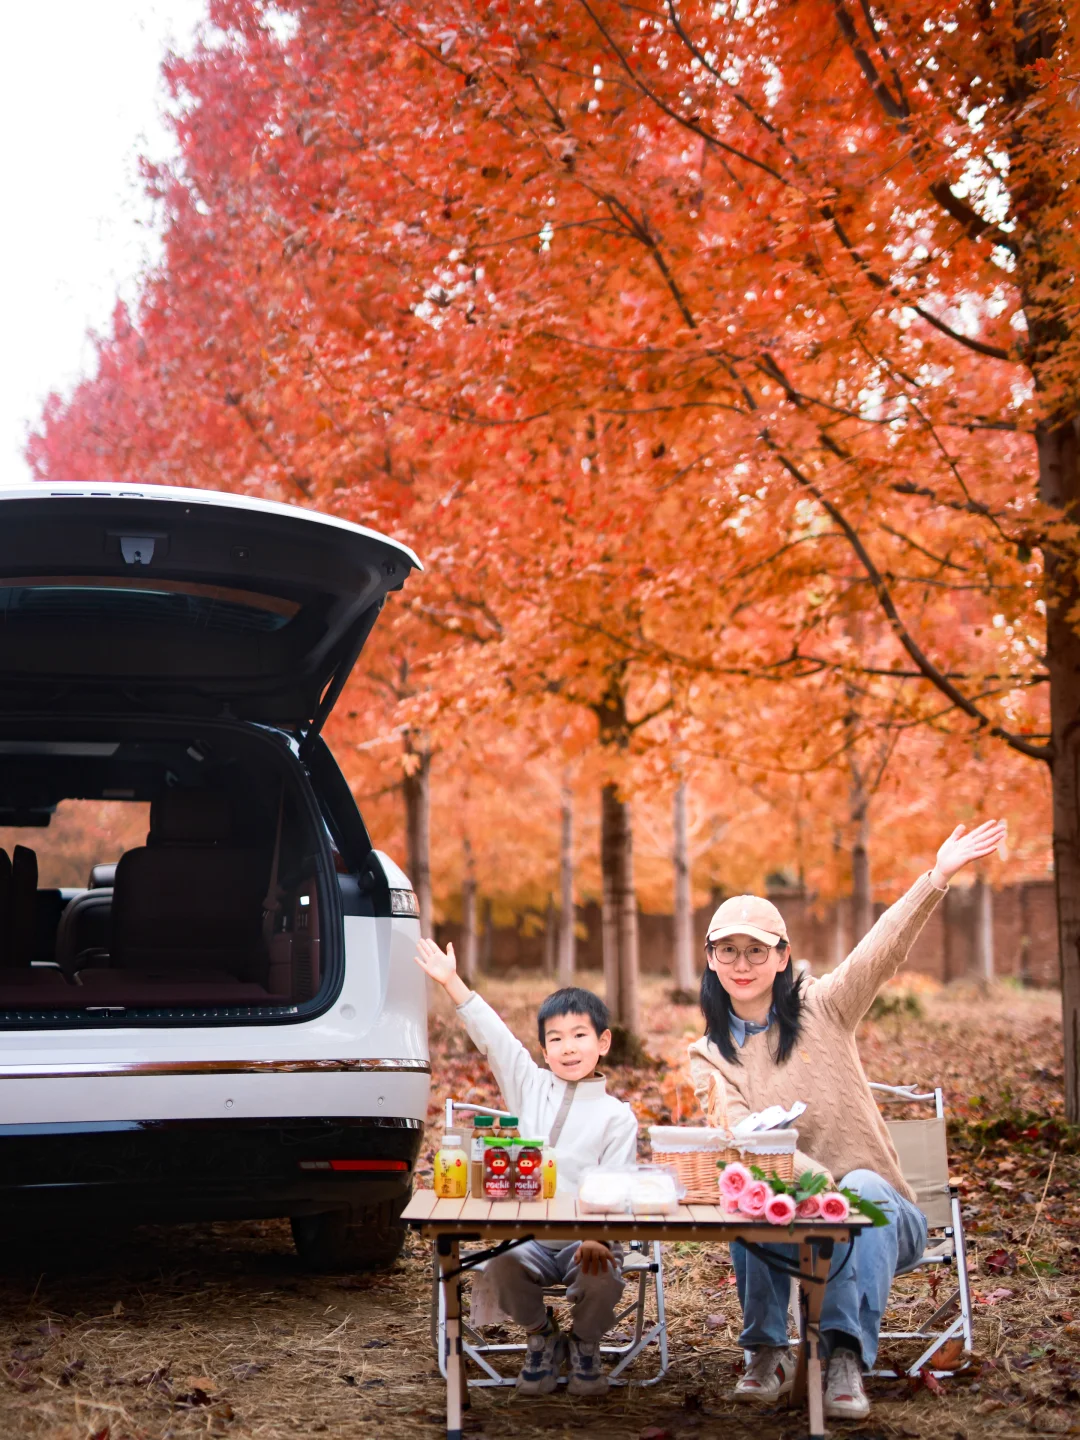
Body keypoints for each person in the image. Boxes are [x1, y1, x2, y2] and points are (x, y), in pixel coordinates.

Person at [688, 820, 1006, 1422]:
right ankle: (766, 1354)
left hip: (882, 1219)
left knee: (859, 1187)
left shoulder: (826, 1006)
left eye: (757, 949)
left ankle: (841, 1357)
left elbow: (881, 949)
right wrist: (811, 1184)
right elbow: (738, 1137)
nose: (742, 962)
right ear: (710, 959)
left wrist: (935, 878)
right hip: (790, 1214)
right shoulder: (707, 1054)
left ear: (782, 957)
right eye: (727, 950)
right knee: (750, 1192)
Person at [414, 938, 638, 1397]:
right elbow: (494, 1038)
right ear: (543, 1049)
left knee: (601, 1274)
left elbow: (616, 1183)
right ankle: (543, 1336)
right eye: (555, 1039)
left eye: (579, 1035)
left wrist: (598, 1234)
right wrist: (453, 982)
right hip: (530, 1238)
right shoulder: (529, 1086)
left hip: (589, 1237)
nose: (568, 1048)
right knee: (500, 1264)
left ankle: (586, 1345)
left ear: (603, 1042)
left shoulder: (617, 1116)